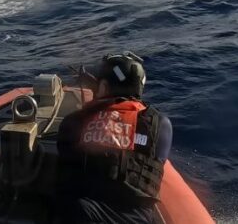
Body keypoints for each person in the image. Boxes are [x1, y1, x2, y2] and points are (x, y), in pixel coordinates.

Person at [56, 52, 173, 224]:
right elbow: (158, 158)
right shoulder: (161, 125)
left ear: (103, 87)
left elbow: (64, 154)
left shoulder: (74, 121)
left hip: (83, 213)